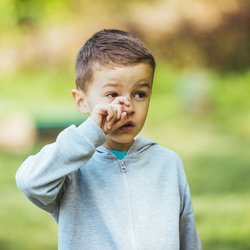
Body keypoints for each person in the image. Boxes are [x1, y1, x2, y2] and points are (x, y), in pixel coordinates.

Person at [16, 29, 202, 250]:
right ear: (81, 101)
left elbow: (187, 237)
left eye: (139, 94)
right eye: (112, 95)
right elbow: (30, 182)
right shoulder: (69, 167)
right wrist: (91, 132)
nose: (128, 107)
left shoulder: (168, 164)